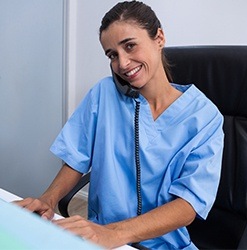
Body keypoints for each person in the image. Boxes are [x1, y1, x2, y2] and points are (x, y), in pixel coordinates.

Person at [15, 1, 224, 249]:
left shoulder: (204, 117)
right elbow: (75, 158)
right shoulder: (103, 94)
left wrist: (114, 234)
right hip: (100, 238)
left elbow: (188, 204)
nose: (123, 64)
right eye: (112, 55)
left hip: (163, 244)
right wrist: (48, 200)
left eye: (130, 46)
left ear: (159, 38)